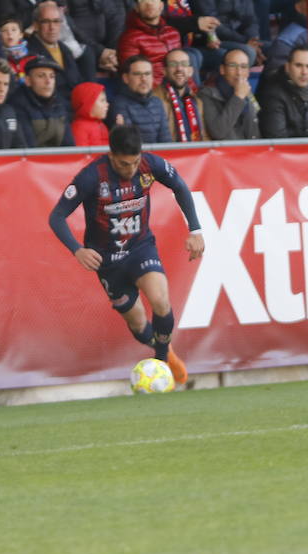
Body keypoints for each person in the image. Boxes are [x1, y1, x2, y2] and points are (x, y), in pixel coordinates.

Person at [48, 123, 203, 384]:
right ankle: (163, 350)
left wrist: (195, 229)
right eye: (123, 164)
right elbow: (57, 216)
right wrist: (78, 250)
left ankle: (162, 362)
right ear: (111, 156)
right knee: (138, 323)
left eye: (134, 163)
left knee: (161, 301)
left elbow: (180, 187)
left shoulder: (150, 165)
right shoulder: (91, 177)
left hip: (140, 247)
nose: (130, 169)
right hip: (107, 261)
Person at [199, 47, 260, 140]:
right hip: (226, 152)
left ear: (248, 72)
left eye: (243, 67)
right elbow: (218, 132)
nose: (239, 72)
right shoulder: (207, 94)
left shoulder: (246, 90)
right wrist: (238, 97)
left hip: (252, 151)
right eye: (232, 66)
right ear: (222, 69)